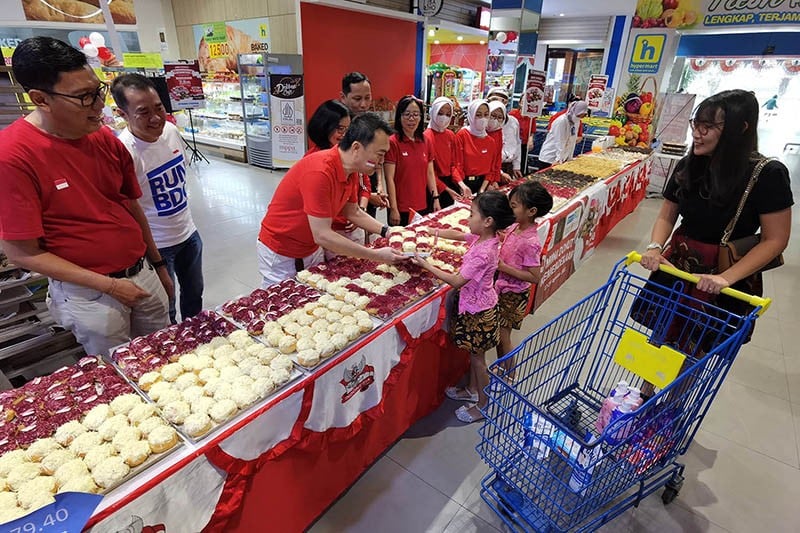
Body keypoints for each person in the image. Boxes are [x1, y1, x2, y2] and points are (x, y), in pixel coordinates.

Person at [0, 37, 171, 355]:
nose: (99, 106)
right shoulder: (13, 156)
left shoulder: (103, 138)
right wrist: (109, 286)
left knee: (162, 358)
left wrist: (159, 266)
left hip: (141, 272)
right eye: (84, 97)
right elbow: (21, 253)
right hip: (89, 294)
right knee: (117, 379)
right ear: (41, 99)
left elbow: (131, 205)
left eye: (98, 91)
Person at [639, 90, 792, 392]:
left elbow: (776, 239)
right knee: (661, 335)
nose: (697, 133)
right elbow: (667, 215)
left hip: (724, 271)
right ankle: (642, 398)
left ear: (740, 129)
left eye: (709, 126)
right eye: (697, 123)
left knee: (694, 348)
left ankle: (672, 410)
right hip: (679, 265)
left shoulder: (767, 174)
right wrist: (655, 247)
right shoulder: (689, 165)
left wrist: (725, 278)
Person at [257, 112, 405, 286]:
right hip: (282, 250)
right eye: (379, 154)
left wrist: (388, 231)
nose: (381, 161)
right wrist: (376, 255)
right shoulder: (320, 172)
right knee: (283, 302)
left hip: (310, 247)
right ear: (356, 148)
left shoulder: (351, 171)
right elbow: (323, 235)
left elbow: (353, 211)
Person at [412, 191, 516, 423]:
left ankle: (483, 404)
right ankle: (470, 389)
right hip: (477, 307)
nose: (467, 219)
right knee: (473, 354)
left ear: (488, 221)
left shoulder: (483, 252)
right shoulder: (485, 239)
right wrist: (432, 231)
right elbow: (459, 236)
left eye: (471, 214)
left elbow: (457, 281)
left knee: (478, 360)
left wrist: (424, 264)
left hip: (478, 313)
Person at [112, 74, 203, 325]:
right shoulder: (125, 152)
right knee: (166, 308)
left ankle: (197, 339)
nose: (155, 118)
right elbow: (129, 210)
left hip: (189, 233)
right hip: (158, 246)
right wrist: (157, 261)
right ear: (122, 113)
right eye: (143, 112)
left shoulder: (171, 131)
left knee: (194, 296)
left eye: (159, 107)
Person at [494, 181, 553, 383]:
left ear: (531, 211)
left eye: (514, 206)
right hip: (501, 288)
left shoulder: (531, 242)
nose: (510, 210)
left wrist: (504, 268)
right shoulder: (514, 227)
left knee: (504, 336)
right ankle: (501, 368)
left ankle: (510, 375)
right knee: (498, 334)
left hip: (514, 293)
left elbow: (535, 276)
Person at [306, 100, 370, 257]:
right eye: (340, 129)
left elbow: (359, 192)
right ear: (324, 126)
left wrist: (362, 211)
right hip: (329, 231)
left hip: (352, 226)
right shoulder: (315, 163)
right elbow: (320, 225)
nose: (344, 135)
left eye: (348, 130)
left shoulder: (348, 157)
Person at [384, 95, 440, 226]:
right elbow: (389, 179)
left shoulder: (426, 141)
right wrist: (393, 208)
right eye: (407, 114)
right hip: (401, 207)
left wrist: (436, 198)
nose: (411, 119)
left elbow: (430, 173)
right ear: (399, 116)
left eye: (416, 114)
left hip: (422, 204)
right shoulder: (393, 142)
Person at [340, 72, 388, 218]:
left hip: (368, 187)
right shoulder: (337, 127)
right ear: (343, 97)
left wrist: (379, 185)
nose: (363, 104)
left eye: (367, 98)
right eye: (357, 99)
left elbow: (378, 158)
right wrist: (365, 196)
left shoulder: (371, 123)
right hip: (346, 196)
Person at [424, 96, 470, 209]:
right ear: (433, 112)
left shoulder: (450, 135)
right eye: (440, 113)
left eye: (448, 114)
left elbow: (454, 165)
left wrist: (461, 184)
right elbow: (429, 172)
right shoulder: (426, 137)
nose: (444, 117)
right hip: (433, 186)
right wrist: (446, 189)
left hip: (450, 182)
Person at [454, 99, 501, 195]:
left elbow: (491, 169)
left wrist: (482, 189)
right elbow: (456, 165)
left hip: (483, 184)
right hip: (463, 184)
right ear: (471, 115)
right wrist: (462, 186)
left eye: (486, 115)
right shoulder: (462, 135)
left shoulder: (490, 141)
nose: (483, 119)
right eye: (478, 115)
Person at [539, 100, 589, 166]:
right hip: (550, 156)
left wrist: (570, 157)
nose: (579, 117)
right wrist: (558, 159)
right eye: (579, 115)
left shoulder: (577, 122)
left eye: (582, 116)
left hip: (562, 157)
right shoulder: (561, 121)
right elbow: (559, 141)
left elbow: (573, 140)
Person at [487, 88, 522, 180]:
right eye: (495, 99)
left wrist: (516, 166)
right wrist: (499, 173)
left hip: (509, 166)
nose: (499, 103)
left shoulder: (514, 121)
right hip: (491, 170)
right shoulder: (485, 124)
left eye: (503, 100)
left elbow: (517, 143)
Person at [486, 101, 512, 184]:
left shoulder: (498, 133)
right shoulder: (477, 132)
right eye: (492, 116)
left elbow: (496, 159)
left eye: (500, 117)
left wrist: (496, 178)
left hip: (491, 177)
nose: (495, 120)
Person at [509, 100, 533, 176]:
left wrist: (531, 139)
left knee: (523, 164)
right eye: (523, 101)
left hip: (524, 144)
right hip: (513, 144)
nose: (526, 104)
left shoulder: (531, 116)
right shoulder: (512, 114)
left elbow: (532, 130)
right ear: (520, 103)